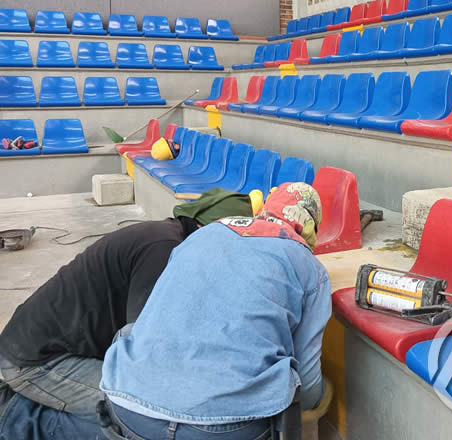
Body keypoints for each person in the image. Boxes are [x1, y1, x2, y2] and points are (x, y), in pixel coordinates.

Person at [98, 182, 332, 440]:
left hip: (129, 405)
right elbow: (308, 385)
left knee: (133, 331)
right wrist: (321, 395)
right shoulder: (310, 269)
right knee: (286, 380)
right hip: (227, 426)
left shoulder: (204, 233)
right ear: (311, 229)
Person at [0, 189, 255, 421]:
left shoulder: (166, 236)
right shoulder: (163, 249)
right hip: (38, 361)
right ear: (205, 229)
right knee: (147, 414)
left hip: (54, 346)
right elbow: (142, 345)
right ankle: (14, 418)